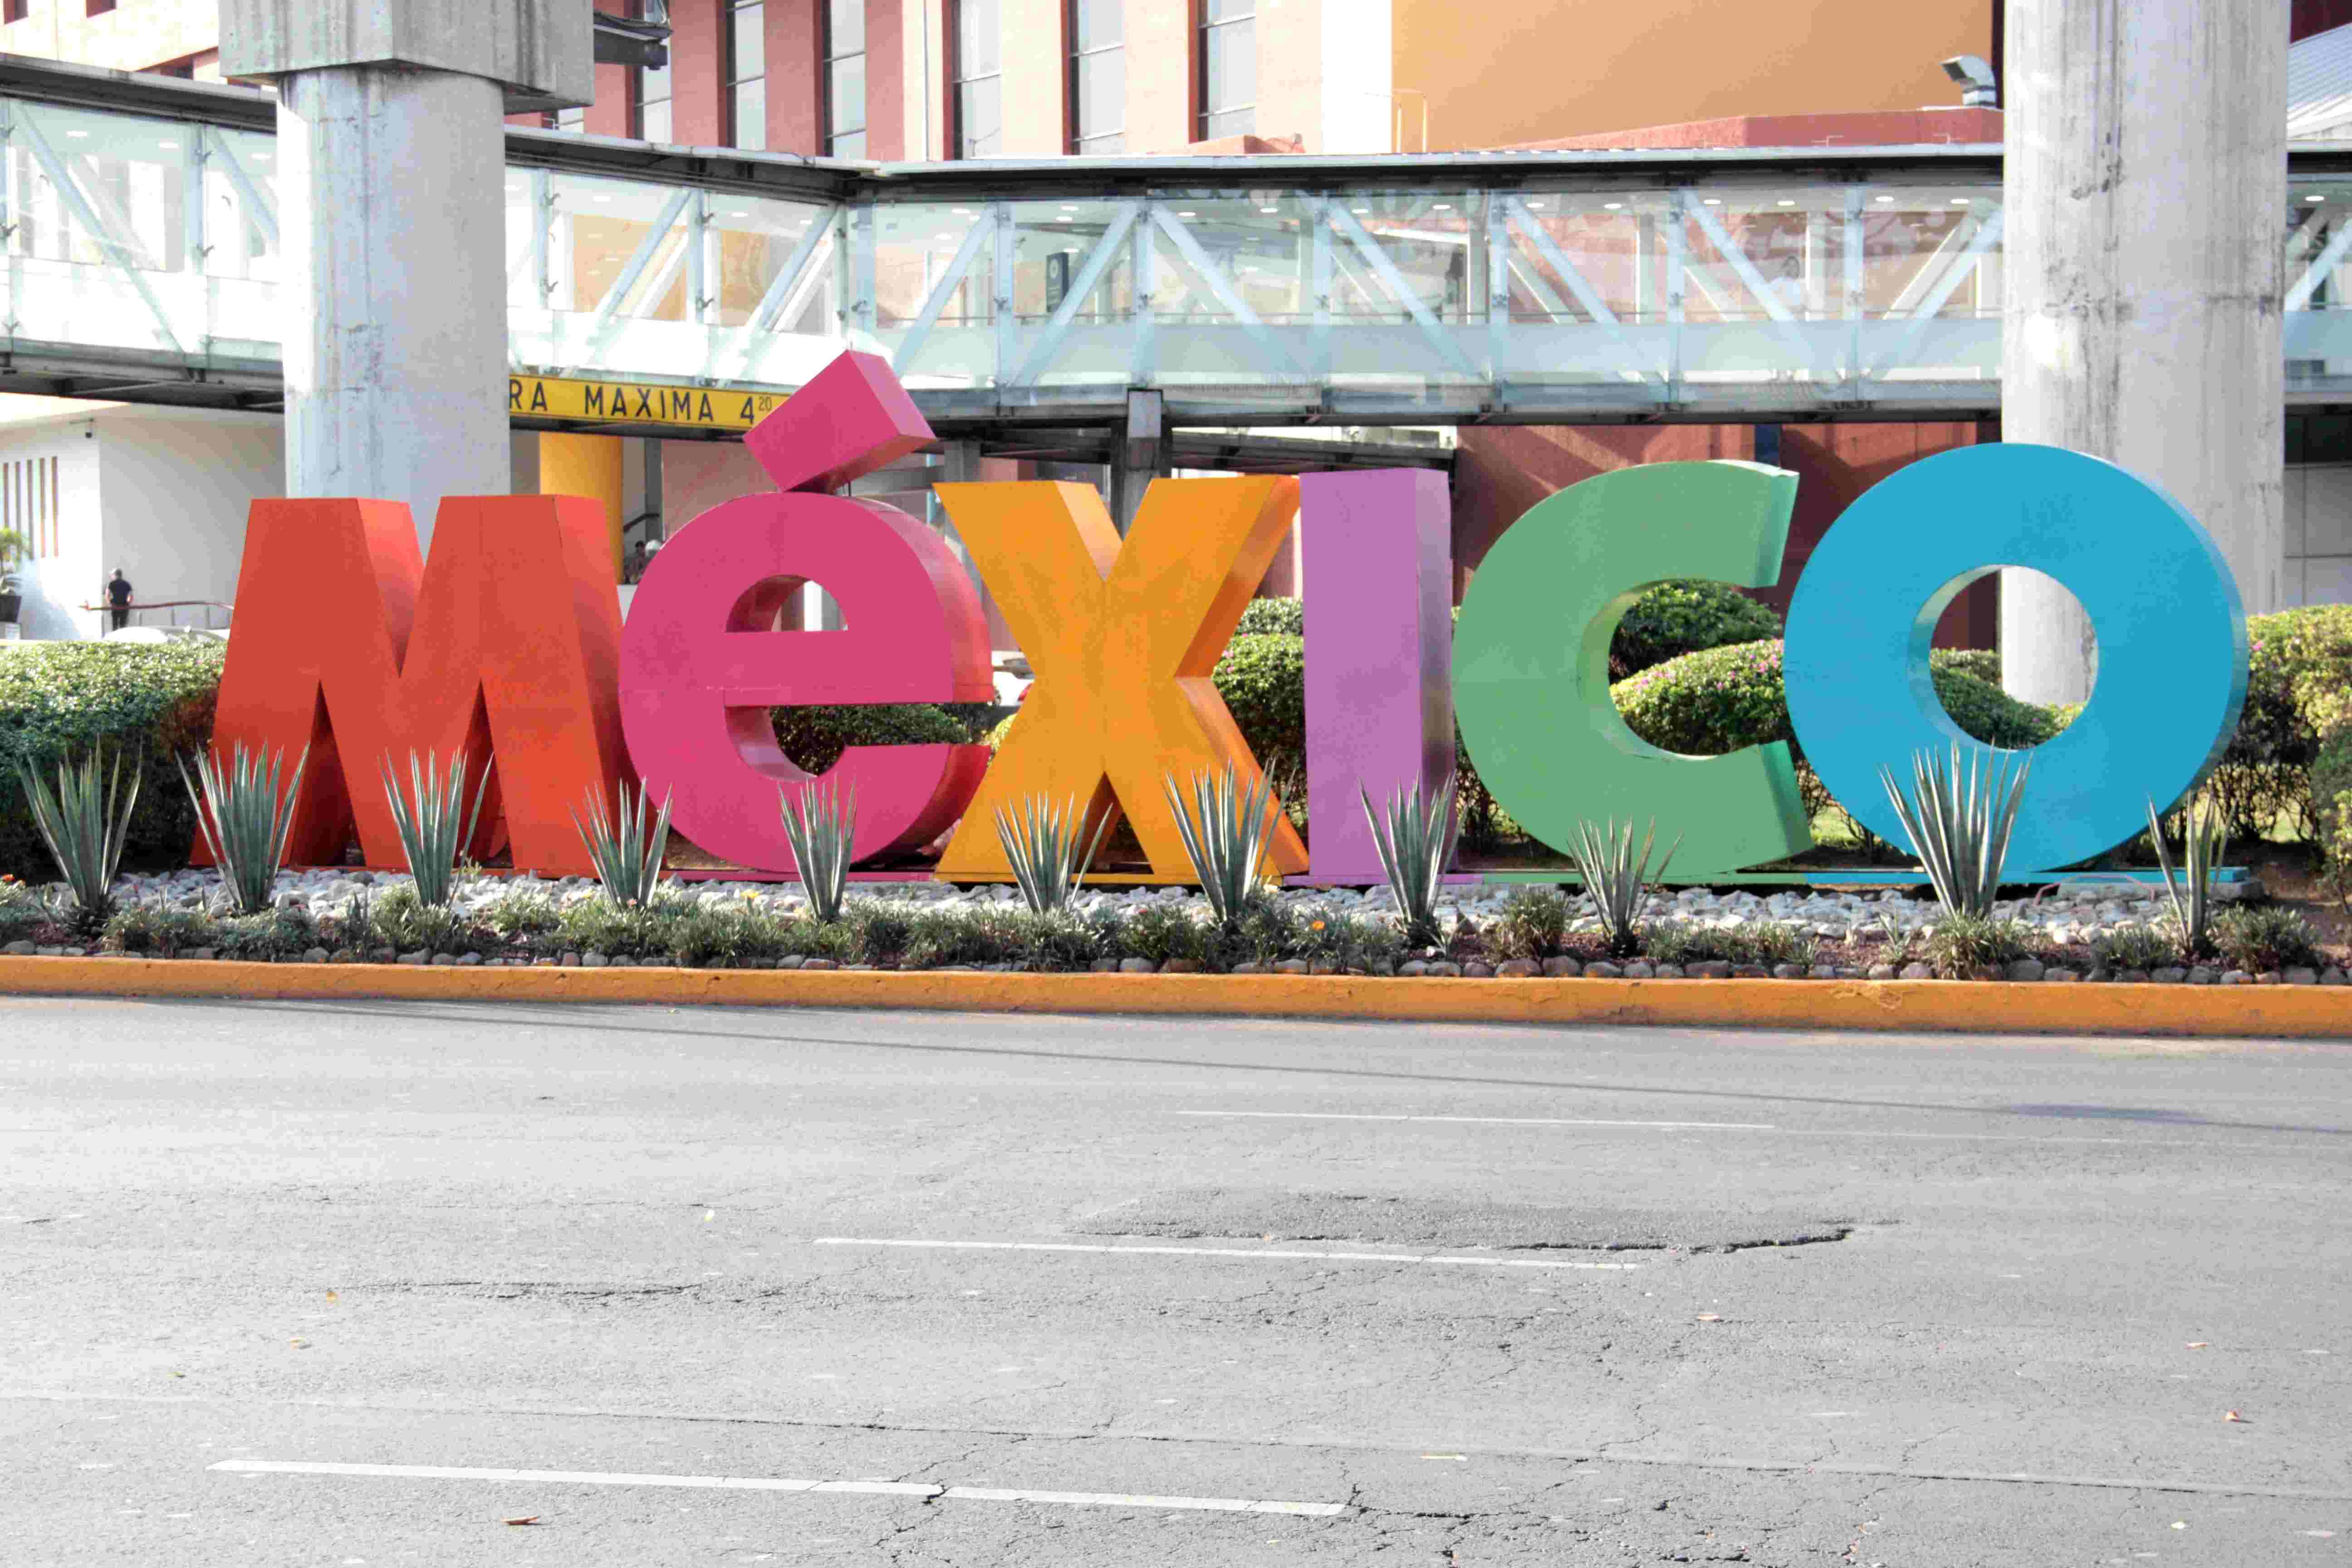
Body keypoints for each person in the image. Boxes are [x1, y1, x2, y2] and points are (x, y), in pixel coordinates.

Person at [104, 568, 132, 632]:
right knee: (123, 625)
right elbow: (131, 596)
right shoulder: (127, 584)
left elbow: (107, 595)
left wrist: (110, 604)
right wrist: (128, 604)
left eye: (112, 575)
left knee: (115, 625)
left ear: (115, 575)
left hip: (115, 606)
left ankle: (115, 640)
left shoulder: (111, 584)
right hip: (124, 606)